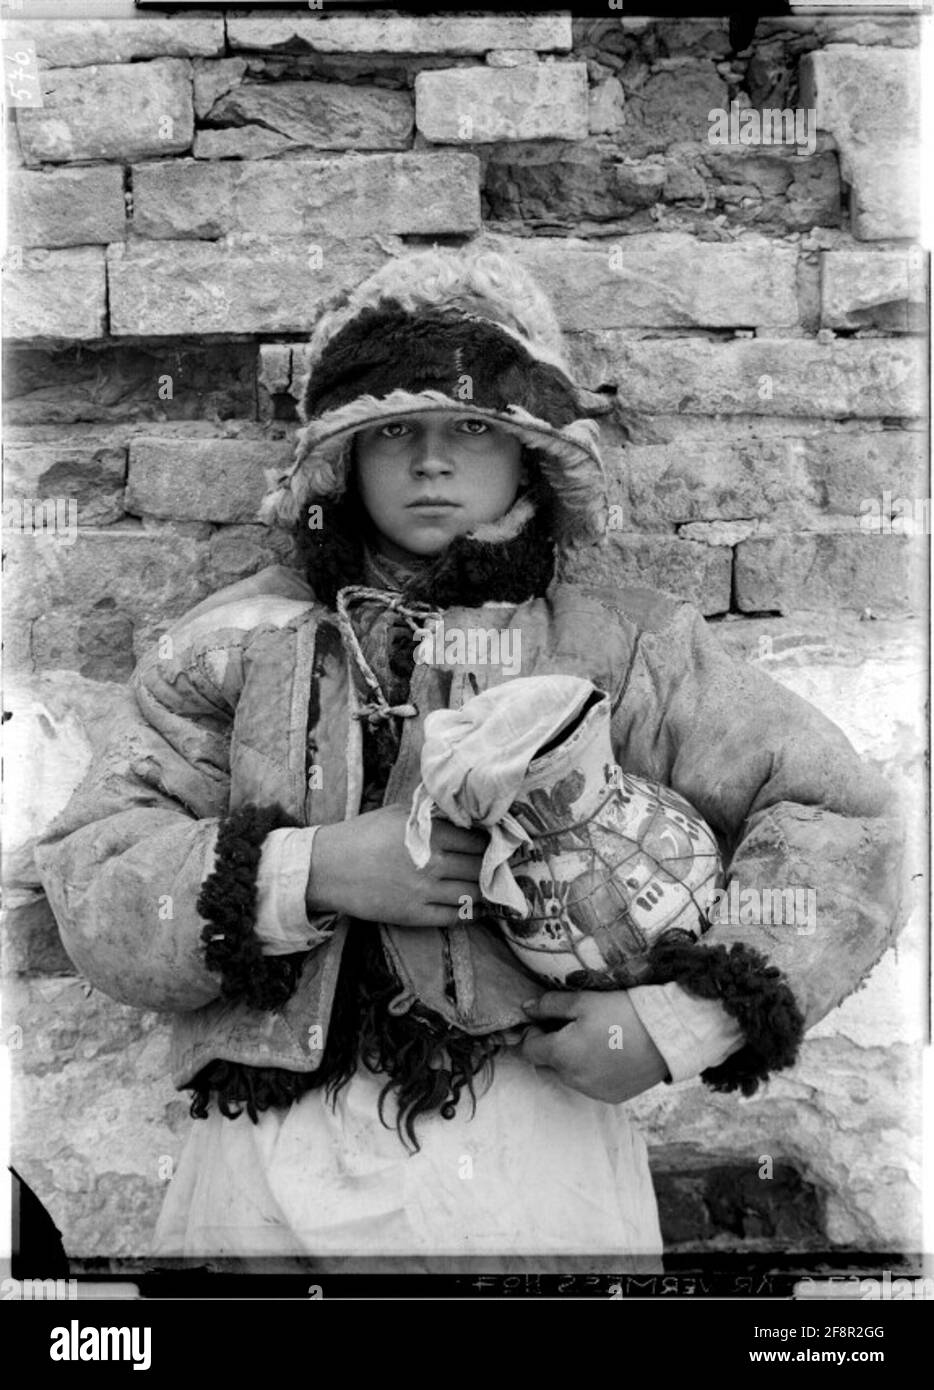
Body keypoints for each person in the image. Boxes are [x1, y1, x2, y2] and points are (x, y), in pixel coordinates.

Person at [34, 246, 906, 1272]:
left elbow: (847, 825)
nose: (431, 461)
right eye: (393, 429)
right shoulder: (234, 640)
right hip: (263, 1179)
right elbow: (96, 873)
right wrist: (309, 869)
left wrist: (676, 1021)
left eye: (473, 428)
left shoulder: (619, 643)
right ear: (341, 459)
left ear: (529, 452)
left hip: (539, 1168)